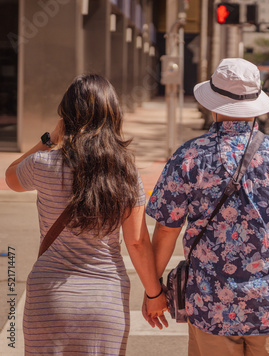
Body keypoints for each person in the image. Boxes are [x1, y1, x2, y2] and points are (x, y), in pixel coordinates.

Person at [144, 58, 269, 355]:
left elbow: (165, 232)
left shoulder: (188, 157)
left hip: (209, 307)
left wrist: (154, 292)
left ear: (212, 105)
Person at [5, 74, 166, 355]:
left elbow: (10, 178)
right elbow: (137, 242)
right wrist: (154, 294)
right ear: (113, 115)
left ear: (65, 117)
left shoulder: (42, 164)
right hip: (105, 300)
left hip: (49, 299)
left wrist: (48, 139)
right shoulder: (126, 172)